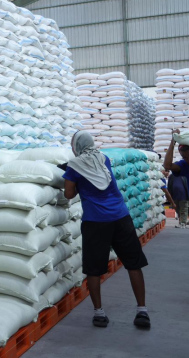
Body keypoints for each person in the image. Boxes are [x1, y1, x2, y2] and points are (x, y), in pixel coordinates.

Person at [63, 131, 149, 329]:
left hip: (95, 221)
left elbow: (68, 194)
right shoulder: (104, 158)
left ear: (76, 146)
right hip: (121, 217)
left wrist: (72, 179)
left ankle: (99, 314)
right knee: (133, 264)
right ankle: (142, 310)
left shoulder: (74, 166)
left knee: (94, 269)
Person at [163, 131, 189, 228]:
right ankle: (182, 222)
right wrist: (173, 142)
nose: (187, 159)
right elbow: (167, 165)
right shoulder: (185, 165)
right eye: (184, 157)